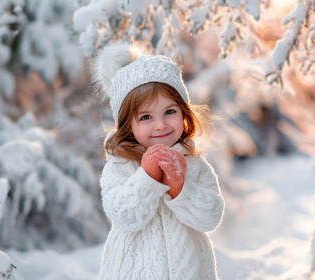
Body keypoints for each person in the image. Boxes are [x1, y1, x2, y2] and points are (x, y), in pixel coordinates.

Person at [93, 42, 225, 280]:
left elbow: (210, 217)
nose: (161, 124)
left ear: (184, 112)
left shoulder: (193, 164)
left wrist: (179, 187)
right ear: (127, 124)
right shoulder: (121, 165)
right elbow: (124, 215)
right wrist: (147, 177)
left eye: (169, 112)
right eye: (146, 116)